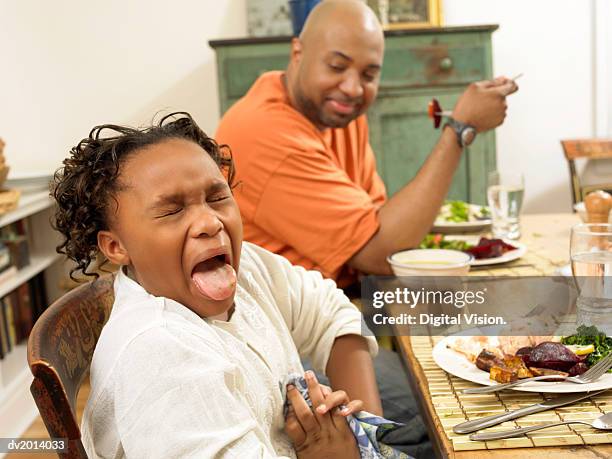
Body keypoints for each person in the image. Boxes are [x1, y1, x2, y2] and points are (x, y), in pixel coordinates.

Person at [51, 112, 385, 458]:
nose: (210, 222)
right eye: (172, 210)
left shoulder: (247, 268)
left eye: (217, 197)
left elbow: (328, 307)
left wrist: (366, 432)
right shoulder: (160, 357)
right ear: (116, 246)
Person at [215, 0, 518, 288]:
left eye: (369, 74)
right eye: (336, 66)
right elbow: (381, 253)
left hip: (343, 297)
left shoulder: (337, 113)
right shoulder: (265, 131)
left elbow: (378, 221)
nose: (352, 88)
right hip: (287, 322)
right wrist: (459, 130)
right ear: (297, 53)